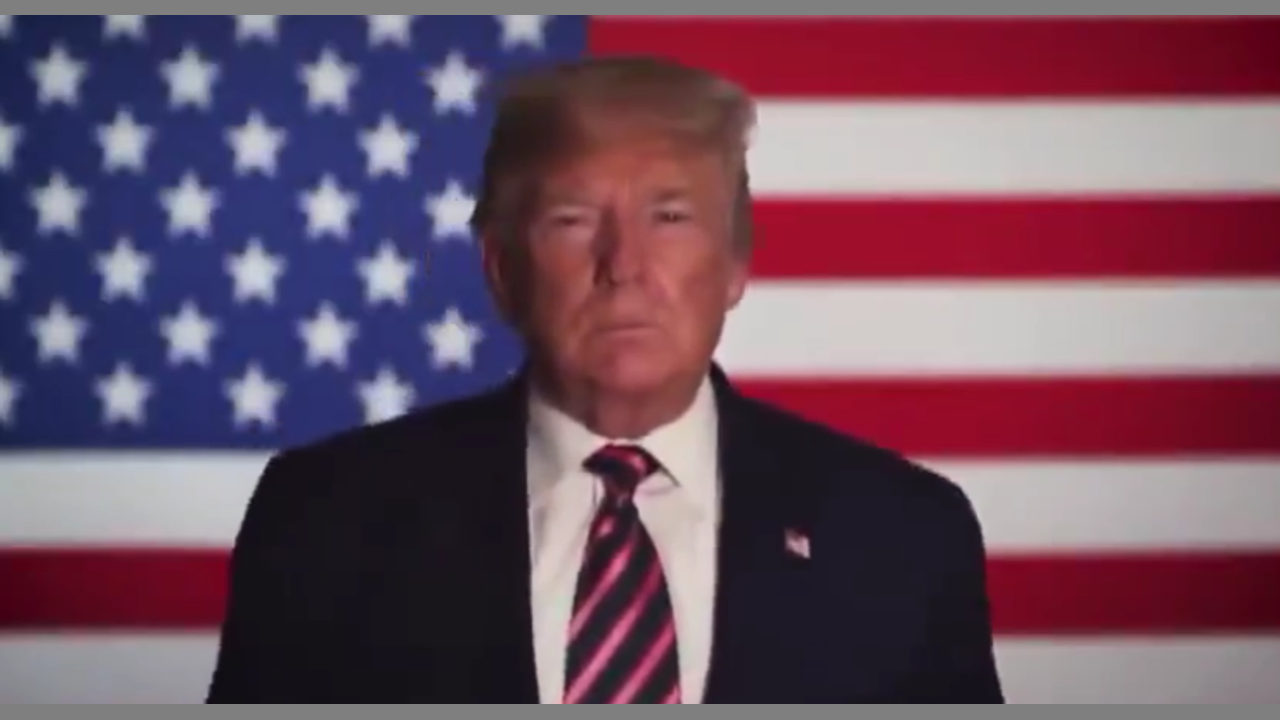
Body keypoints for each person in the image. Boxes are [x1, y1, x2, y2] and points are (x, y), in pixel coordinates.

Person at [204, 55, 1004, 704]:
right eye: (573, 220)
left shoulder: (902, 536)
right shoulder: (326, 522)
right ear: (501, 270)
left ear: (735, 263)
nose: (624, 266)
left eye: (670, 217)